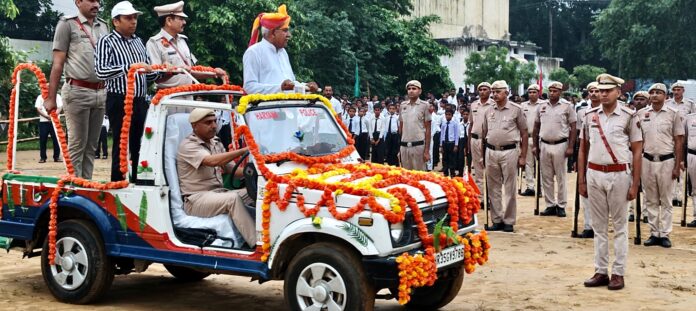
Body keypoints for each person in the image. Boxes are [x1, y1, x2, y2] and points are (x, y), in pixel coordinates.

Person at [578, 74, 642, 291]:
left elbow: (637, 151)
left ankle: (618, 272)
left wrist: (635, 184)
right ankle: (600, 270)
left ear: (618, 92)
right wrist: (581, 181)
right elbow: (583, 148)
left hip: (619, 174)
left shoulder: (628, 116)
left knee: (620, 226)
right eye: (600, 90)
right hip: (594, 173)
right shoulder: (589, 115)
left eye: (608, 90)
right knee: (599, 226)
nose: (603, 94)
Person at [95, 1, 160, 182]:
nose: (134, 21)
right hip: (119, 98)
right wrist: (128, 67)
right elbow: (100, 71)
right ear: (116, 21)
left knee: (141, 142)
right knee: (121, 143)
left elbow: (147, 75)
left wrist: (158, 71)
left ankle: (138, 180)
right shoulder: (106, 41)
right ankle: (118, 181)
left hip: (140, 98)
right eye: (129, 18)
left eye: (135, 18)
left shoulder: (139, 41)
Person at [45, 0, 108, 179]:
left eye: (98, 1)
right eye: (91, 0)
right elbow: (57, 64)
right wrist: (51, 98)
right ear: (78, 2)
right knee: (77, 143)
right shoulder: (66, 24)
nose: (96, 4)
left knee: (91, 146)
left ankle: (86, 188)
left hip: (100, 92)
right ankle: (74, 189)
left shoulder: (103, 26)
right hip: (77, 91)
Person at [177, 108, 255, 247]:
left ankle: (269, 236)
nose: (213, 125)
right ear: (195, 126)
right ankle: (257, 245)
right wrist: (243, 150)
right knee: (232, 199)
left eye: (214, 121)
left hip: (217, 194)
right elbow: (211, 161)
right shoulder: (188, 145)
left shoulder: (215, 142)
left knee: (256, 191)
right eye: (208, 122)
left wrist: (255, 175)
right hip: (196, 200)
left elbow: (229, 168)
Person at [638, 83, 683, 248]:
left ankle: (665, 233)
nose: (655, 95)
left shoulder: (673, 114)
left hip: (667, 160)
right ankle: (654, 232)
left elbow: (678, 140)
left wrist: (678, 165)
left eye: (659, 92)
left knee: (666, 199)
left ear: (665, 96)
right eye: (653, 92)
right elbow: (638, 140)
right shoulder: (642, 114)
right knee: (650, 199)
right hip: (647, 160)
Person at [146, 1, 226, 91]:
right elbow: (154, 77)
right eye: (180, 18)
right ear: (168, 20)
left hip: (188, 95)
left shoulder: (183, 40)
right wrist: (173, 71)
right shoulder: (154, 43)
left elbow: (190, 71)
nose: (184, 22)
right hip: (168, 99)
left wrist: (214, 72)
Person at [481, 80, 528, 232]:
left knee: (509, 187)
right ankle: (496, 219)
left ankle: (508, 220)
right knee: (493, 187)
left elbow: (524, 133)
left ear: (506, 93)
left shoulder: (516, 109)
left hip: (509, 151)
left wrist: (523, 156)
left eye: (498, 91)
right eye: (493, 91)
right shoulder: (488, 110)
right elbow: (484, 132)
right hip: (491, 151)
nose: (494, 94)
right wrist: (483, 154)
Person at [243, 4, 317, 94]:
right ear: (273, 32)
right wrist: (280, 88)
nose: (289, 35)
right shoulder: (254, 52)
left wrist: (306, 86)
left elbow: (290, 84)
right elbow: (249, 87)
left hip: (288, 106)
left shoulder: (283, 53)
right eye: (285, 30)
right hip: (267, 107)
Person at [533, 81, 577, 217]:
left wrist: (570, 146)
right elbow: (536, 127)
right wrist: (535, 145)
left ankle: (561, 205)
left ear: (560, 92)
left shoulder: (567, 106)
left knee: (561, 177)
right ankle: (550, 204)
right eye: (550, 90)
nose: (552, 93)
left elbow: (573, 127)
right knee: (546, 177)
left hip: (560, 144)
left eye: (555, 91)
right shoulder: (541, 106)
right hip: (544, 144)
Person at [575, 82, 601, 237]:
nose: (594, 94)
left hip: (604, 156)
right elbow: (581, 138)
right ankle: (588, 225)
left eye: (597, 91)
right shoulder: (583, 112)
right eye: (591, 91)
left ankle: (599, 226)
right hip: (588, 154)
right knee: (585, 192)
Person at [666, 82, 696, 207]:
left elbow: (692, 120)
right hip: (670, 138)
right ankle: (671, 195)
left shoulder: (690, 104)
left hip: (685, 138)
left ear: (683, 91)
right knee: (670, 167)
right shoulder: (667, 104)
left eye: (679, 89)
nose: (676, 92)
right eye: (674, 89)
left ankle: (679, 196)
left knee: (682, 168)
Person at [468, 82, 495, 194]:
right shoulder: (474, 105)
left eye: (485, 89)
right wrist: (468, 143)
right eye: (480, 90)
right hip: (475, 139)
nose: (482, 92)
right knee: (478, 169)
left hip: (488, 141)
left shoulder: (494, 104)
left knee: (489, 169)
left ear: (490, 91)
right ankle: (480, 196)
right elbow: (471, 124)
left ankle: (489, 196)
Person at [399, 80, 431, 171]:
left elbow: (428, 129)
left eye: (414, 88)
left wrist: (426, 151)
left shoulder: (425, 105)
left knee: (420, 176)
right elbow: (401, 128)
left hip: (418, 147)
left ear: (420, 91)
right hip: (404, 147)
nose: (411, 91)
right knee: (406, 176)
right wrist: (399, 147)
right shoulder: (403, 105)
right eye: (409, 89)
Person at [520, 84, 544, 196]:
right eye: (530, 92)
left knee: (541, 164)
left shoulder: (543, 105)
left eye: (534, 92)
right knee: (528, 164)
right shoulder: (523, 106)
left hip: (539, 138)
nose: (532, 94)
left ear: (538, 93)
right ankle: (530, 187)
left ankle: (541, 187)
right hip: (527, 137)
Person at [35, 92, 63, 163]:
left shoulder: (57, 96)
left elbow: (60, 107)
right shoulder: (40, 96)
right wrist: (47, 116)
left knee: (56, 139)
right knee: (43, 139)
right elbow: (38, 109)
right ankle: (43, 157)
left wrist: (54, 116)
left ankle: (57, 157)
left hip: (55, 121)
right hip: (43, 121)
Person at [440, 109, 460, 177]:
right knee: (445, 158)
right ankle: (445, 173)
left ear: (452, 116)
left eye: (449, 115)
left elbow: (456, 135)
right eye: (446, 115)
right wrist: (441, 145)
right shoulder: (443, 123)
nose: (447, 116)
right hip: (445, 143)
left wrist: (456, 145)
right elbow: (442, 134)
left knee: (452, 159)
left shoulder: (454, 123)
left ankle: (452, 173)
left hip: (451, 143)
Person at [456, 106, 469, 176]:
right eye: (464, 114)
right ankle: (460, 172)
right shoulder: (459, 124)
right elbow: (458, 134)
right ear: (462, 115)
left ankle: (468, 172)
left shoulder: (470, 124)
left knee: (468, 156)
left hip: (468, 139)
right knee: (460, 157)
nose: (465, 116)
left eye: (467, 114)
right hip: (461, 140)